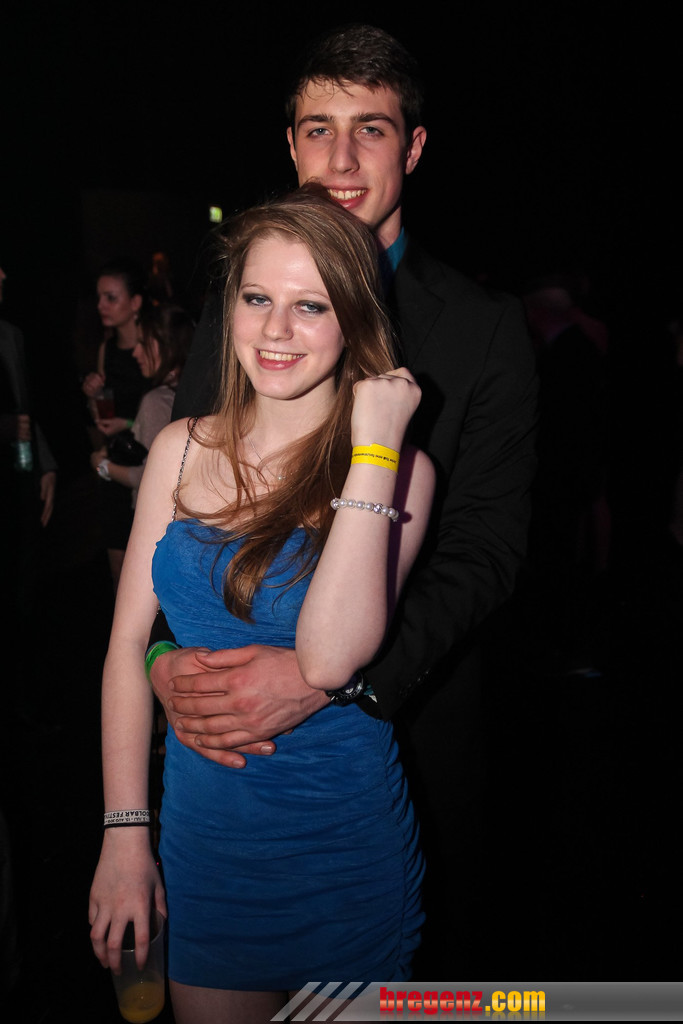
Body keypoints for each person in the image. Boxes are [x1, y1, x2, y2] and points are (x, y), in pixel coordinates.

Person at [148, 23, 538, 972]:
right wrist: (161, 658)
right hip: (227, 763)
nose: (341, 159)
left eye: (371, 129)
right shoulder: (244, 304)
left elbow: (485, 550)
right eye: (318, 129)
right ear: (290, 147)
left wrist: (333, 678)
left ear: (413, 148)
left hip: (396, 732)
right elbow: (185, 503)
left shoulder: (483, 327)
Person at [89, 185, 435, 1022]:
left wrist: (374, 446)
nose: (275, 330)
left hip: (341, 849)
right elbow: (128, 643)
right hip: (205, 850)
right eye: (256, 299)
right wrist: (125, 833)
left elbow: (329, 657)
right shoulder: (178, 450)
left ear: (353, 318)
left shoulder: (397, 470)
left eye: (310, 305)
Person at [81, 260, 150, 590]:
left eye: (110, 297)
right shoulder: (106, 349)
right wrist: (93, 394)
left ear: (135, 302)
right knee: (118, 568)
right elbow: (100, 413)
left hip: (147, 464)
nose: (101, 306)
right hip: (114, 463)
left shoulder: (153, 347)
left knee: (148, 567)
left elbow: (169, 412)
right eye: (99, 297)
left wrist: (128, 422)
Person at [90, 303, 194, 508]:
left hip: (154, 513)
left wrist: (101, 466)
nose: (135, 352)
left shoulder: (156, 400)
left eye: (142, 343)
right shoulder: (190, 389)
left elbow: (146, 476)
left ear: (165, 345)